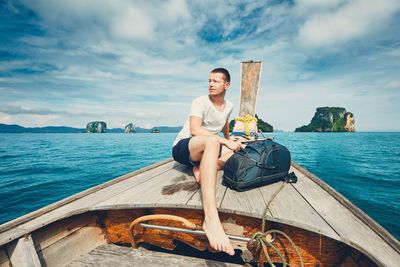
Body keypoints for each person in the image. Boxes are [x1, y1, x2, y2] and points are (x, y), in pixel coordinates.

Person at [172, 68, 242, 255]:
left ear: (226, 85)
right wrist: (224, 141)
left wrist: (231, 139)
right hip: (185, 147)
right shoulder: (199, 102)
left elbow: (225, 122)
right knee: (212, 141)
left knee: (238, 150)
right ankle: (211, 218)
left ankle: (202, 166)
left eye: (216, 81)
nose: (210, 84)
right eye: (209, 80)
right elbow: (195, 129)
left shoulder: (229, 105)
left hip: (209, 146)